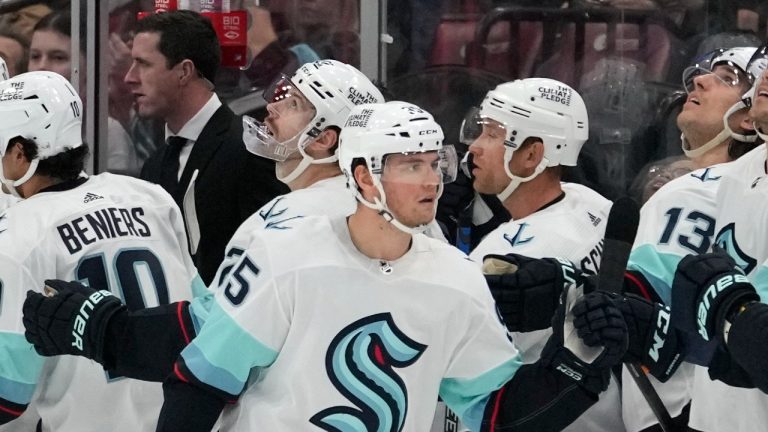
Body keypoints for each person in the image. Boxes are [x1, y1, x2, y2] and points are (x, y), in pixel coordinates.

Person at [145, 101, 627, 431]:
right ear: (363, 175)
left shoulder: (457, 280)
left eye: (435, 162)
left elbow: (496, 413)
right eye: (410, 165)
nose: (432, 180)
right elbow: (200, 381)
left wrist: (575, 367)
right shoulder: (287, 257)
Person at [0, 71, 201, 431]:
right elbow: (202, 318)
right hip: (184, 417)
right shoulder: (151, 196)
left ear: (19, 152)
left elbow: (8, 394)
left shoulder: (18, 233)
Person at [447, 77, 622, 432]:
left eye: (492, 135)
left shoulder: (499, 254)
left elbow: (465, 382)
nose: (474, 148)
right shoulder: (591, 204)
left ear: (532, 154)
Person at [621, 45, 766, 432]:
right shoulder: (731, 181)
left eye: (729, 78)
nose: (699, 79)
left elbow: (643, 303)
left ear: (748, 116)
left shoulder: (687, 192)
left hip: (676, 410)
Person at [130, 10, 288, 285]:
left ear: (184, 71)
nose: (129, 77)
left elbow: (274, 258)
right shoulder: (154, 165)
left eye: (143, 64)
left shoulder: (249, 150)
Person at [28, 10, 140, 176]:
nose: (41, 66)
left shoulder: (106, 131)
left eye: (58, 57)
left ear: (87, 66)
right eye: (35, 56)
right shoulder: (12, 125)